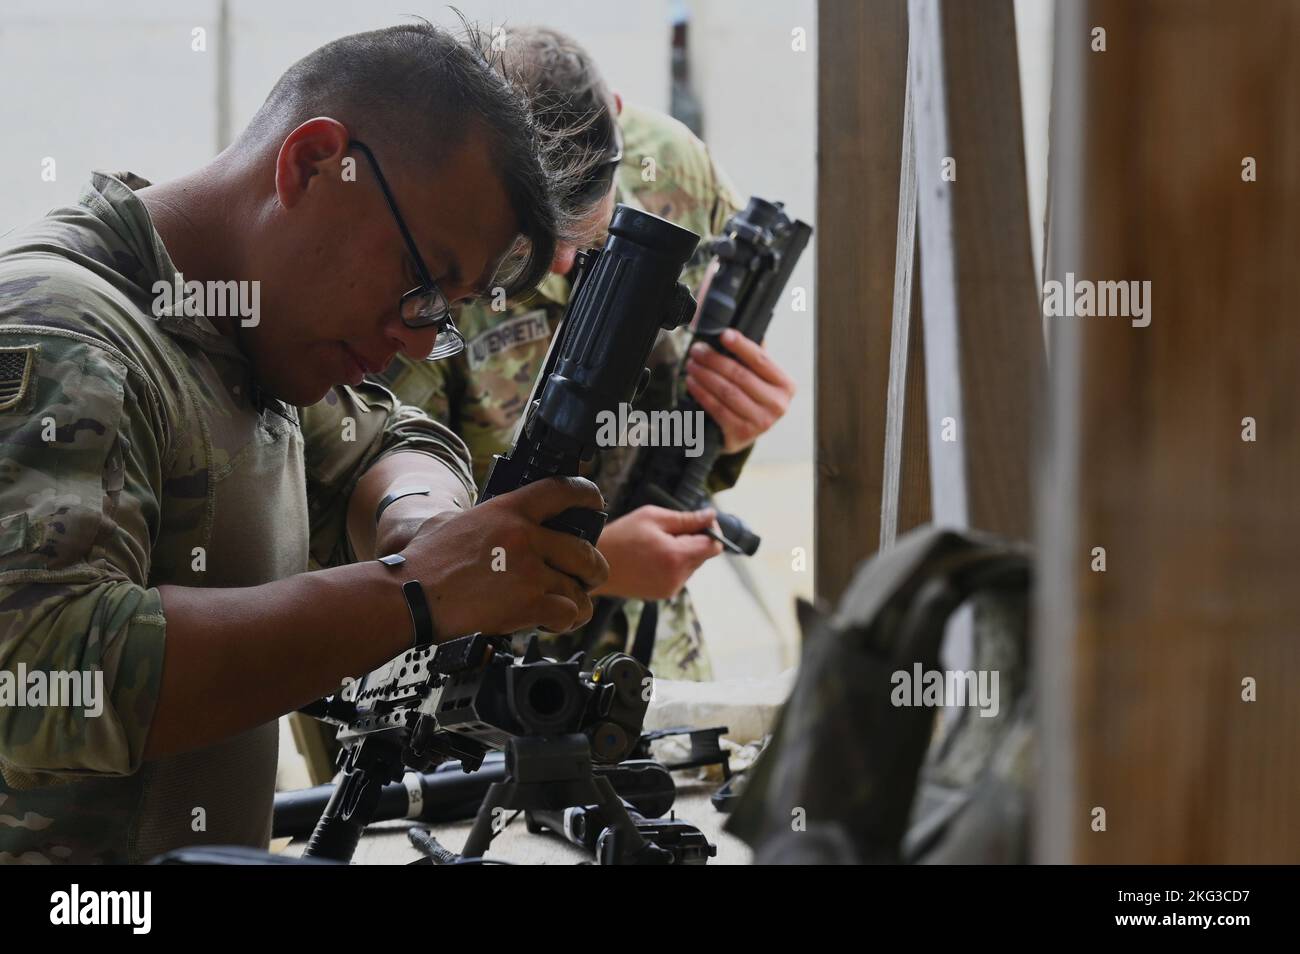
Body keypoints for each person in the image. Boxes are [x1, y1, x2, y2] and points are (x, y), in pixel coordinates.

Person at [0, 23, 607, 864]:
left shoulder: (234, 333)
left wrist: (419, 522)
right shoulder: (63, 332)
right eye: (420, 281)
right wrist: (416, 593)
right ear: (314, 164)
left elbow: (384, 439)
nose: (413, 337)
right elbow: (44, 674)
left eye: (443, 311)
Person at [378, 25, 797, 681]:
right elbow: (390, 535)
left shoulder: (675, 175)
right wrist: (599, 562)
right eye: (539, 237)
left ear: (621, 118)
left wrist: (732, 420)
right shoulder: (429, 252)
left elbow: (691, 412)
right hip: (464, 683)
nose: (567, 261)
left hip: (648, 651)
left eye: (586, 229)